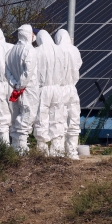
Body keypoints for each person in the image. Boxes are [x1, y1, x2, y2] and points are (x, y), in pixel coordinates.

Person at [5, 25, 38, 154]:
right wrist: (21, 85)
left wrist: (15, 84)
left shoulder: (11, 51)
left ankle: (15, 147)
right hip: (28, 89)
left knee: (16, 116)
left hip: (16, 89)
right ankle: (22, 149)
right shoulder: (29, 50)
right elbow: (28, 71)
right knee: (27, 116)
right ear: (28, 34)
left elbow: (6, 71)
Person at [33, 30, 65, 156]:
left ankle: (42, 147)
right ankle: (57, 148)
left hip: (42, 89)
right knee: (57, 116)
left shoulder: (37, 51)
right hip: (57, 88)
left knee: (41, 116)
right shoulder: (60, 51)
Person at [55, 29, 83, 159]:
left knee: (59, 119)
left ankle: (59, 150)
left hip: (59, 89)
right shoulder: (74, 50)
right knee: (74, 118)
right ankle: (72, 151)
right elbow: (78, 65)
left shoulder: (56, 50)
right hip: (72, 88)